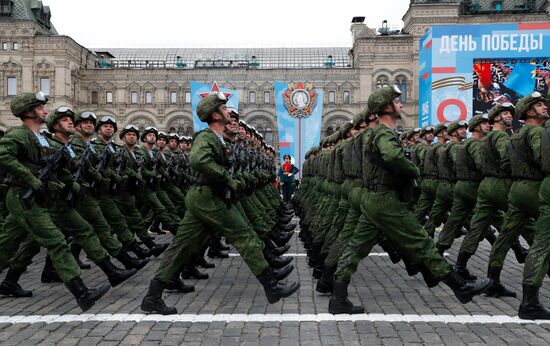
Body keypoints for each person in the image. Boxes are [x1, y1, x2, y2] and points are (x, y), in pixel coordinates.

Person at [328, 86, 492, 314]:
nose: (401, 104)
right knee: (421, 241)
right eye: (396, 101)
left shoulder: (373, 134)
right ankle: (460, 285)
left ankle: (338, 296)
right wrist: (413, 170)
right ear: (386, 107)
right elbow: (393, 155)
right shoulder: (383, 133)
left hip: (373, 199)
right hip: (385, 201)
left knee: (356, 247)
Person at [141, 92, 300, 315]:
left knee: (181, 246)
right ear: (215, 114)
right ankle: (272, 287)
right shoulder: (206, 137)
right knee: (245, 236)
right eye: (224, 109)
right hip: (208, 198)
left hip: (205, 197)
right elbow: (198, 160)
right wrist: (227, 180)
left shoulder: (217, 139)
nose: (228, 112)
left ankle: (152, 296)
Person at [0, 92, 110, 311]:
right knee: (56, 241)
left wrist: (67, 183)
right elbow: (3, 156)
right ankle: (82, 293)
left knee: (7, 244)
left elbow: (50, 164)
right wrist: (32, 179)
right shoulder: (18, 134)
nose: (44, 111)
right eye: (40, 108)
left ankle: (9, 282)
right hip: (23, 196)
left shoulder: (39, 137)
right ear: (29, 112)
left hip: (34, 197)